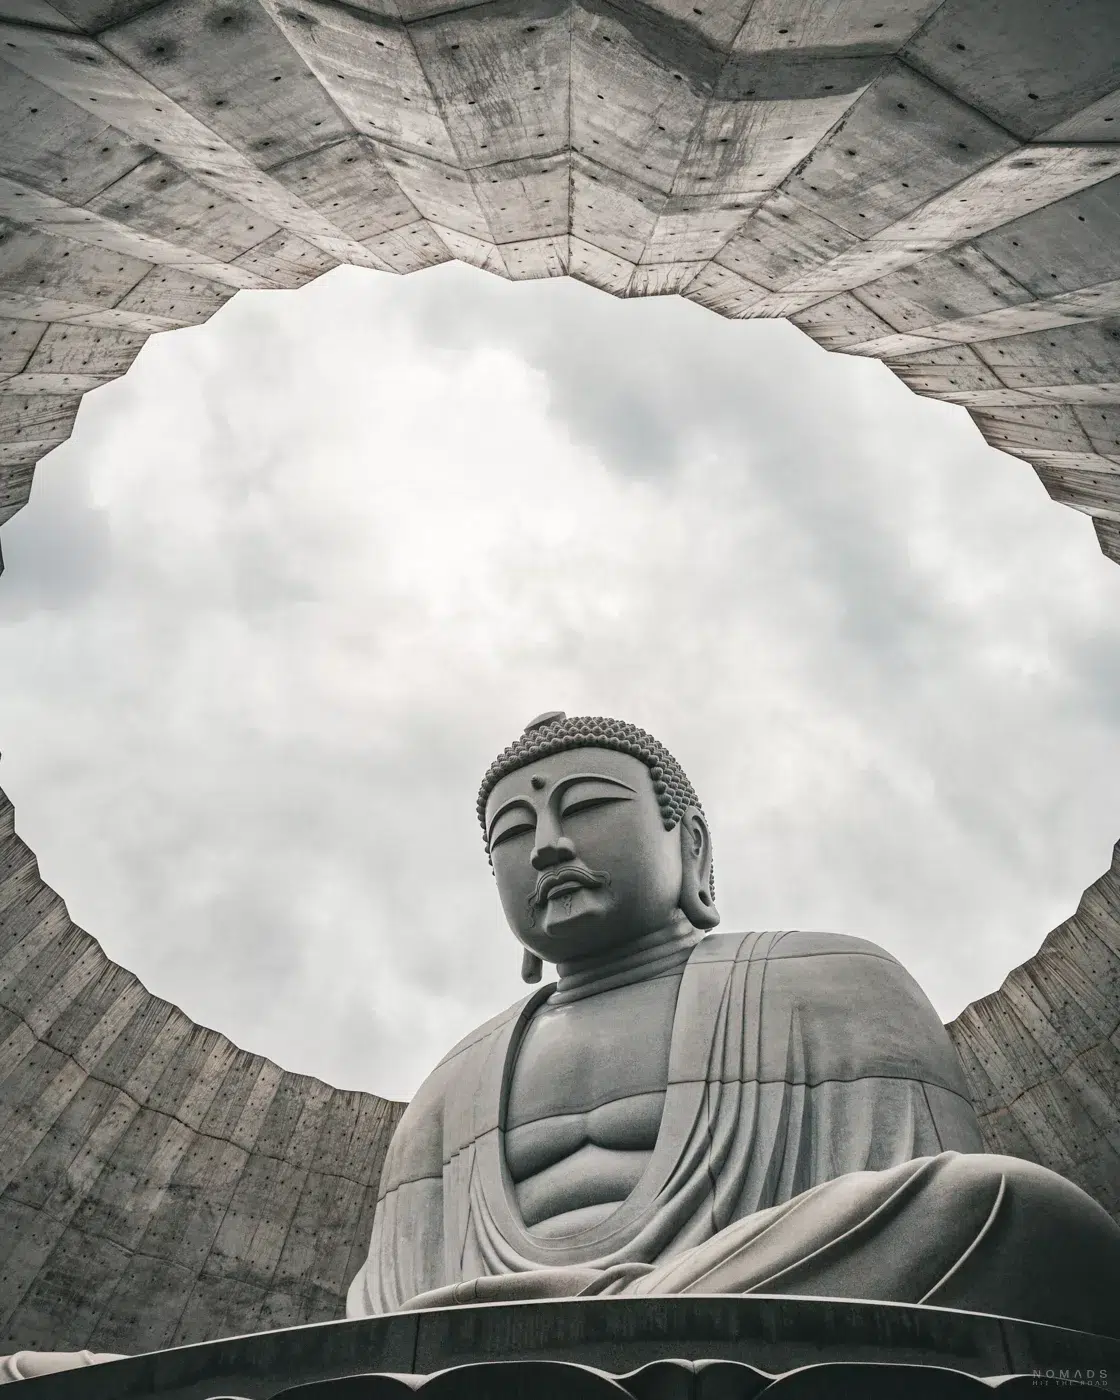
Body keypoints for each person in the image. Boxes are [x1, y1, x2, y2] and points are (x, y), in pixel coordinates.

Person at [347, 712, 1120, 1335]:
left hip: (757, 1312)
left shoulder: (833, 978)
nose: (548, 845)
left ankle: (591, 1342)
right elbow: (386, 1313)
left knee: (1003, 1206)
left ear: (690, 843)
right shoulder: (451, 1084)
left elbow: (918, 1198)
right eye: (511, 833)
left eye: (584, 807)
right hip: (510, 1346)